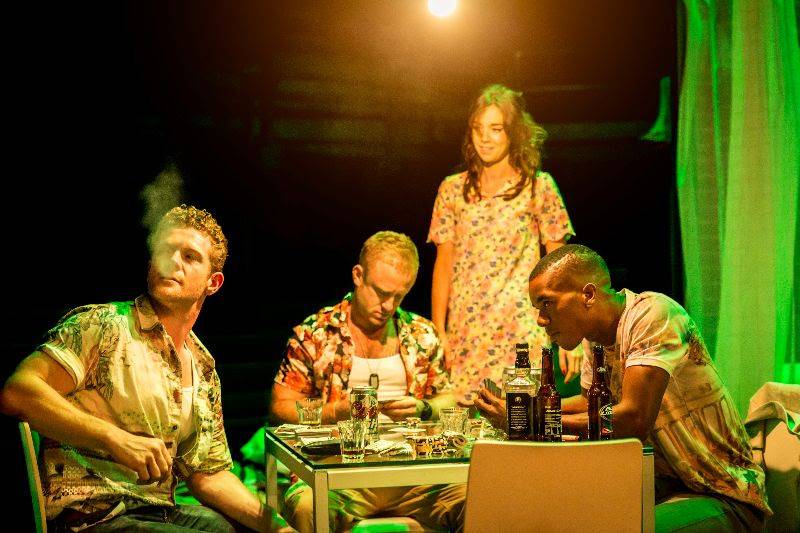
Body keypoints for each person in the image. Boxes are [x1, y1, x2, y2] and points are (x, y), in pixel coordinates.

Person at [0, 205, 290, 532]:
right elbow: (17, 392)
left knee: (224, 528)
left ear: (214, 283)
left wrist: (279, 527)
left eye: (190, 256)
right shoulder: (104, 325)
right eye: (165, 250)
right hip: (91, 515)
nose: (173, 261)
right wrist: (113, 438)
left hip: (154, 509)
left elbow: (207, 475)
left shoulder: (203, 367)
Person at [475, 244, 771, 531]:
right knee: (540, 515)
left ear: (588, 294)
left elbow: (633, 419)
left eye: (547, 303)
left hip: (721, 492)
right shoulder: (596, 337)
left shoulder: (653, 314)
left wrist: (534, 421)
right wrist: (524, 411)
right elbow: (589, 403)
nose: (540, 320)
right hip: (658, 486)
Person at [269, 231, 465, 533]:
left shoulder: (421, 333)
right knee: (308, 506)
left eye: (399, 296)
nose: (388, 305)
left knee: (476, 497)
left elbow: (449, 398)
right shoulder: (315, 333)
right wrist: (335, 412)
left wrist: (423, 408)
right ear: (358, 276)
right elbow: (280, 407)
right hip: (337, 472)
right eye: (381, 293)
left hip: (414, 475)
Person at [428, 83, 581, 401]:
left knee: (522, 416)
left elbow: (559, 267)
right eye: (478, 128)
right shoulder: (452, 189)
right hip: (467, 331)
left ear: (512, 133)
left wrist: (570, 330)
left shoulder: (538, 187)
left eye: (495, 129)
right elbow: (444, 265)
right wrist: (438, 330)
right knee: (466, 417)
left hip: (521, 327)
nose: (485, 137)